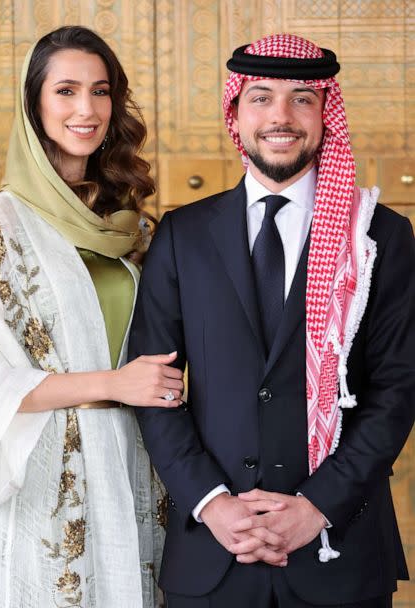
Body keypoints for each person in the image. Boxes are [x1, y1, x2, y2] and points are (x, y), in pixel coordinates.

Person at [128, 33, 415, 607]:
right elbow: (153, 387)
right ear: (236, 112)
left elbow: (397, 389)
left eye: (302, 98)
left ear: (325, 114)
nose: (280, 116)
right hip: (212, 554)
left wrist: (315, 508)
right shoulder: (181, 236)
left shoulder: (380, 237)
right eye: (260, 97)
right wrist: (213, 503)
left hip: (339, 550)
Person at [0, 25, 183, 608]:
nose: (86, 109)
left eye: (101, 92)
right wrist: (113, 384)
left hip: (136, 459)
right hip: (51, 471)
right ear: (34, 105)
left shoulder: (131, 224)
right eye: (66, 91)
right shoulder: (0, 224)